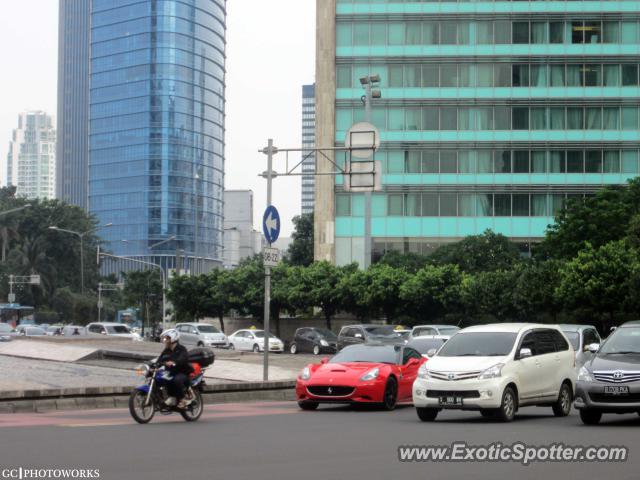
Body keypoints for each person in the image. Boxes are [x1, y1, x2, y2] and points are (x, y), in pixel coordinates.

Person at [158, 329, 193, 409]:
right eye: (165, 339)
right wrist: (153, 366)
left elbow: (183, 358)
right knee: (163, 377)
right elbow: (160, 359)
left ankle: (183, 399)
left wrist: (174, 362)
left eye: (166, 338)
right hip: (171, 372)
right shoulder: (167, 350)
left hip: (183, 373)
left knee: (177, 380)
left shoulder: (181, 349)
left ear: (172, 338)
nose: (165, 340)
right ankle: (171, 397)